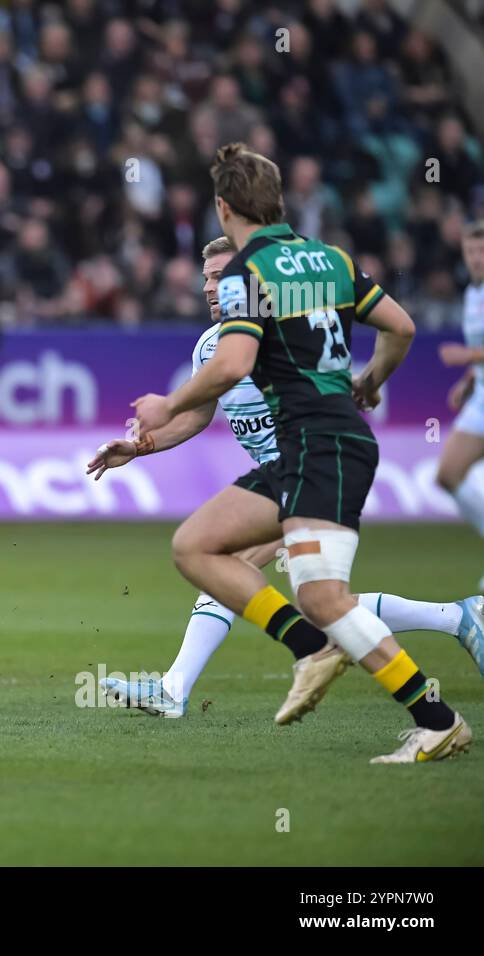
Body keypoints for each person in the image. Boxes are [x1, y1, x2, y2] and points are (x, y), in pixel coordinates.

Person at [131, 143, 470, 763]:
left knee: (323, 598)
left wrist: (166, 404)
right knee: (195, 544)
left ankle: (436, 716)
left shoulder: (247, 273)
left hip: (320, 443)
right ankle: (315, 648)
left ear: (223, 206)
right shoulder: (330, 258)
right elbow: (402, 328)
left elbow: (232, 364)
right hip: (312, 444)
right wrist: (371, 381)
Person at [89, 237, 484, 716]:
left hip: (312, 467)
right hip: (283, 475)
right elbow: (195, 418)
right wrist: (139, 445)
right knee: (321, 599)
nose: (211, 287)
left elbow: (391, 332)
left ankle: (174, 690)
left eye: (221, 276)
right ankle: (458, 619)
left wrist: (367, 385)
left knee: (226, 562)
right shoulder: (211, 347)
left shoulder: (275, 335)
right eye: (206, 277)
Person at [436, 221, 484, 584]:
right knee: (448, 474)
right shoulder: (472, 292)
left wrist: (467, 355)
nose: (477, 258)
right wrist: (468, 380)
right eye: (471, 251)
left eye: (482, 251)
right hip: (480, 397)